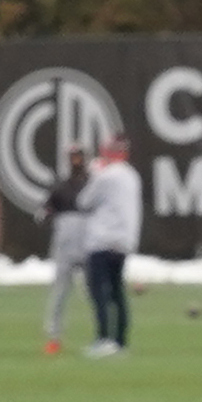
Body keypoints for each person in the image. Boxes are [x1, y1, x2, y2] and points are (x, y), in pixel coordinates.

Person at [78, 135, 141, 358]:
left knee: (99, 292)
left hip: (102, 240)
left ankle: (104, 338)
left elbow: (84, 201)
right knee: (117, 291)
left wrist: (95, 173)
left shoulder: (105, 176)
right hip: (123, 241)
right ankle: (121, 341)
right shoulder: (132, 175)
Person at [42, 147, 90, 354]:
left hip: (88, 239)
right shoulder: (60, 187)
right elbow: (45, 211)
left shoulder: (91, 184)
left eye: (79, 156)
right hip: (65, 241)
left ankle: (104, 334)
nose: (76, 160)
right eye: (73, 157)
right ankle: (54, 335)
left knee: (92, 290)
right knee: (61, 289)